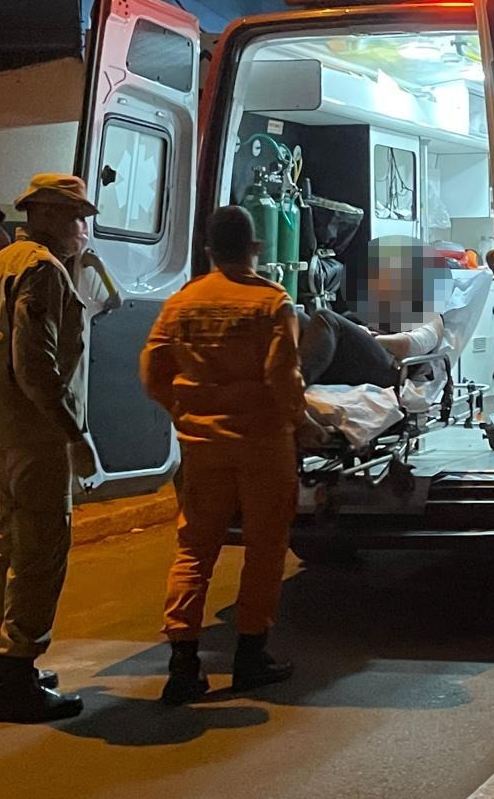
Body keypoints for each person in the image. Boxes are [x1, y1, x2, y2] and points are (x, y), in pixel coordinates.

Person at [140, 206, 306, 705]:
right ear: (256, 248)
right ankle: (251, 657)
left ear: (209, 251)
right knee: (264, 549)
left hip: (202, 447)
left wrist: (184, 411)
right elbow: (282, 376)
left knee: (194, 550)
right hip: (262, 445)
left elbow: (152, 371)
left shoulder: (181, 303)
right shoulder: (271, 302)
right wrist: (301, 422)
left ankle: (183, 665)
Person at [0, 174, 98, 723]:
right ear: (44, 214)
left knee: (11, 545)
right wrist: (75, 433)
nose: (82, 230)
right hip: (37, 432)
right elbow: (36, 366)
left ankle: (3, 667)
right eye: (76, 218)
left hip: (2, 426)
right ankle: (18, 677)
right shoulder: (42, 270)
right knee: (41, 552)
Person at [298, 307, 444, 388]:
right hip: (359, 359)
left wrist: (372, 337)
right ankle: (288, 375)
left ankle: (295, 386)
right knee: (296, 316)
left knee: (325, 318)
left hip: (391, 368)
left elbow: (409, 345)